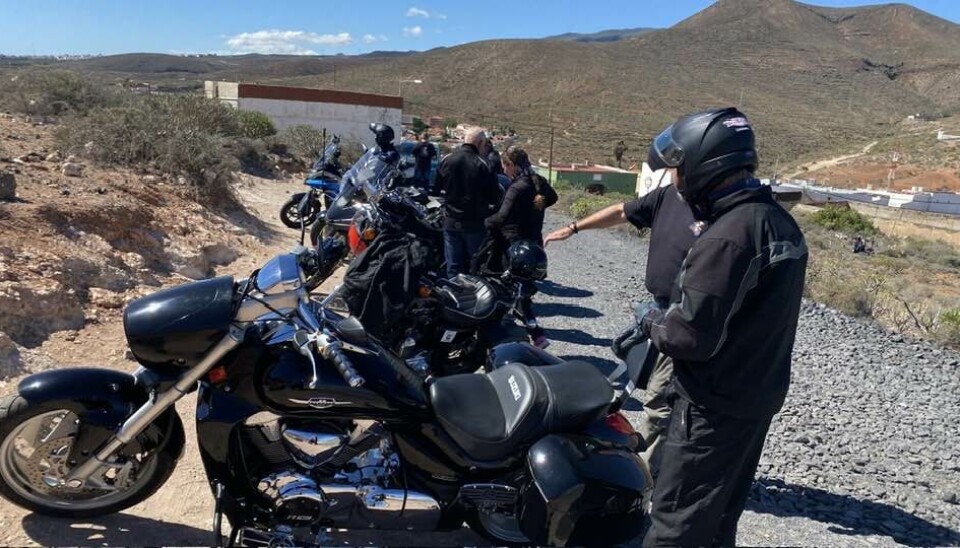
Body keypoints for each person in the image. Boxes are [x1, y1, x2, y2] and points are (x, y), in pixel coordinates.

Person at [620, 107, 808, 547]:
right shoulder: (774, 219)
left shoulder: (729, 236)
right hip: (754, 398)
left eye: (678, 171)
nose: (676, 181)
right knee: (719, 515)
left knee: (676, 521)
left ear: (706, 166)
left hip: (711, 406)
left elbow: (685, 337)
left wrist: (649, 319)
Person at [543, 159, 696, 477]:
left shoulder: (713, 209)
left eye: (676, 167)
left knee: (659, 399)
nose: (670, 172)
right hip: (659, 309)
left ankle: (648, 477)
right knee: (632, 376)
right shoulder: (668, 196)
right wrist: (573, 228)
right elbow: (622, 211)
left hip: (683, 316)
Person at [484, 146, 558, 348]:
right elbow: (553, 197)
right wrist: (534, 209)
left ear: (511, 165)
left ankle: (527, 333)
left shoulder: (517, 187)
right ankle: (534, 334)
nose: (504, 171)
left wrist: (482, 223)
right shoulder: (538, 182)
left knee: (508, 289)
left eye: (505, 166)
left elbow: (501, 216)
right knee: (522, 291)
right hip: (533, 242)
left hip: (513, 244)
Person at [432, 128, 501, 277]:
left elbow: (436, 189)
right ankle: (474, 298)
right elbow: (495, 196)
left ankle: (453, 297)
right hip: (474, 223)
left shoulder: (447, 160)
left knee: (453, 267)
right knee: (476, 266)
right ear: (480, 143)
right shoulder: (484, 164)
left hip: (450, 221)